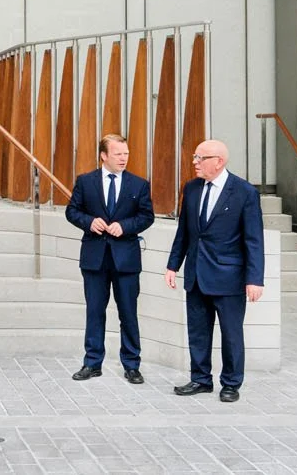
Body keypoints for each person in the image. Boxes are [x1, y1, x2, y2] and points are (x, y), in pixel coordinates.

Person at [163, 138, 263, 402]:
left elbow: (253, 240)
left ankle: (231, 383)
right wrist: (173, 264)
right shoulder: (192, 189)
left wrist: (255, 279)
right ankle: (200, 379)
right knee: (198, 331)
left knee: (231, 333)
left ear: (218, 162)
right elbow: (184, 232)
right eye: (195, 157)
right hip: (196, 274)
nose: (194, 162)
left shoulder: (244, 192)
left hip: (229, 277)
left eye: (200, 158)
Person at [66, 132, 154, 383]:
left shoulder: (138, 184)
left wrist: (125, 226)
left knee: (128, 312)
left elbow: (147, 216)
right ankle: (92, 363)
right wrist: (89, 222)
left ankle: (132, 364)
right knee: (95, 312)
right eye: (118, 154)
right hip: (95, 258)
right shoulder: (85, 182)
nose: (124, 158)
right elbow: (72, 211)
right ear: (103, 155)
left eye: (126, 153)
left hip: (126, 260)